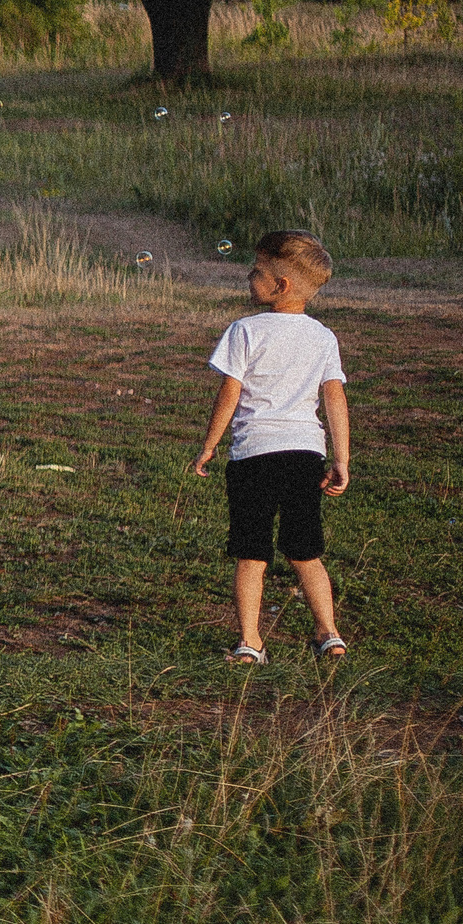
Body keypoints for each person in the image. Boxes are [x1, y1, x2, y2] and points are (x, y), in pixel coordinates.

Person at [190, 229, 353, 664]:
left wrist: (209, 445)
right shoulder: (323, 336)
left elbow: (230, 393)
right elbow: (334, 397)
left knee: (252, 553)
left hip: (253, 458)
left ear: (280, 284)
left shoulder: (244, 330)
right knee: (306, 551)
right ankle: (329, 635)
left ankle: (251, 643)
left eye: (257, 270)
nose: (249, 276)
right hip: (304, 456)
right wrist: (341, 459)